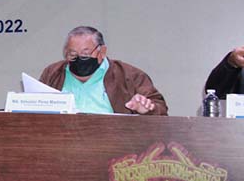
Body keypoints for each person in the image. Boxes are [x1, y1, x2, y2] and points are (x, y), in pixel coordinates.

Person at [39, 26, 167, 115]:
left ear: (102, 52)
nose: (78, 59)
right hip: (60, 141)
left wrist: (147, 109)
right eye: (72, 54)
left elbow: (160, 110)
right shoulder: (52, 73)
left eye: (85, 54)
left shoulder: (130, 75)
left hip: (113, 143)